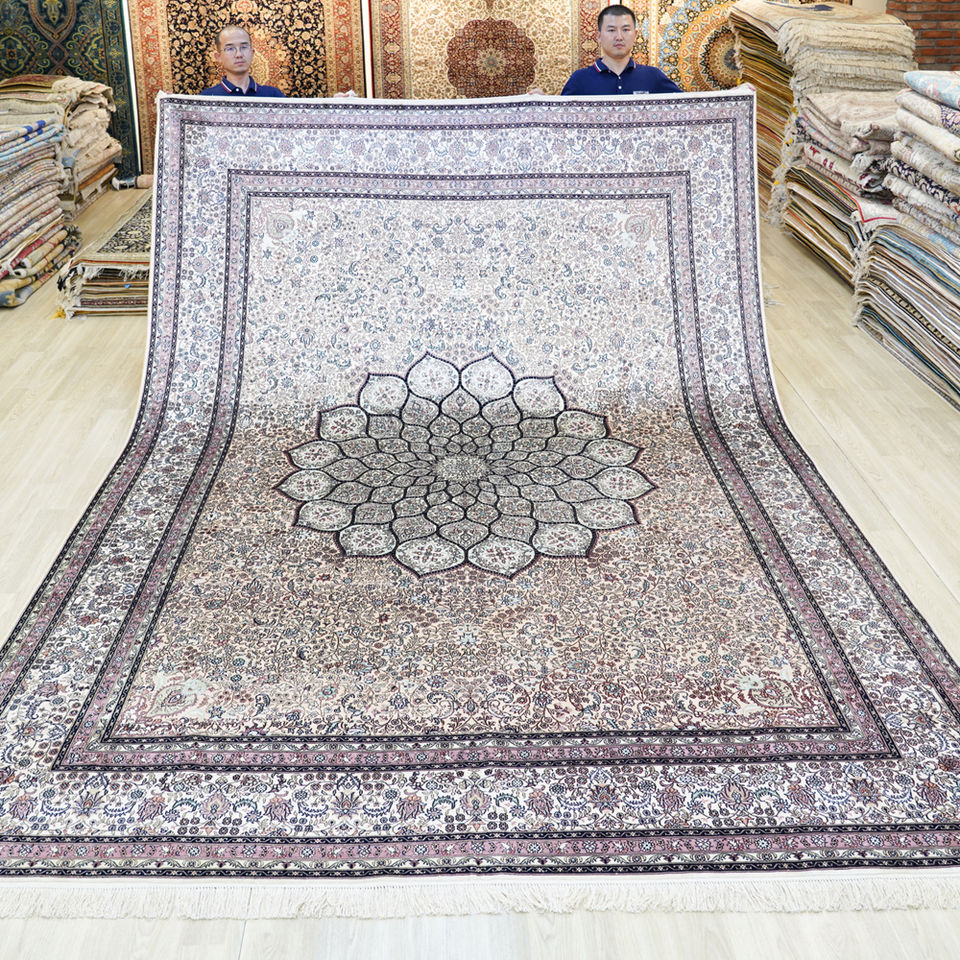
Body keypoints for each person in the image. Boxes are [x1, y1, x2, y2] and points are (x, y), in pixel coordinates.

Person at [561, 5, 682, 96]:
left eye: (625, 30)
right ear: (599, 36)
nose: (619, 37)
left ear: (635, 35)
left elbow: (686, 107)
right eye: (611, 30)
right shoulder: (579, 79)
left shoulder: (653, 76)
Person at [199, 25, 285, 98]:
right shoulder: (207, 98)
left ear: (252, 53)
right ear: (218, 57)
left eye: (244, 47)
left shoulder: (273, 96)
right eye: (230, 48)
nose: (239, 54)